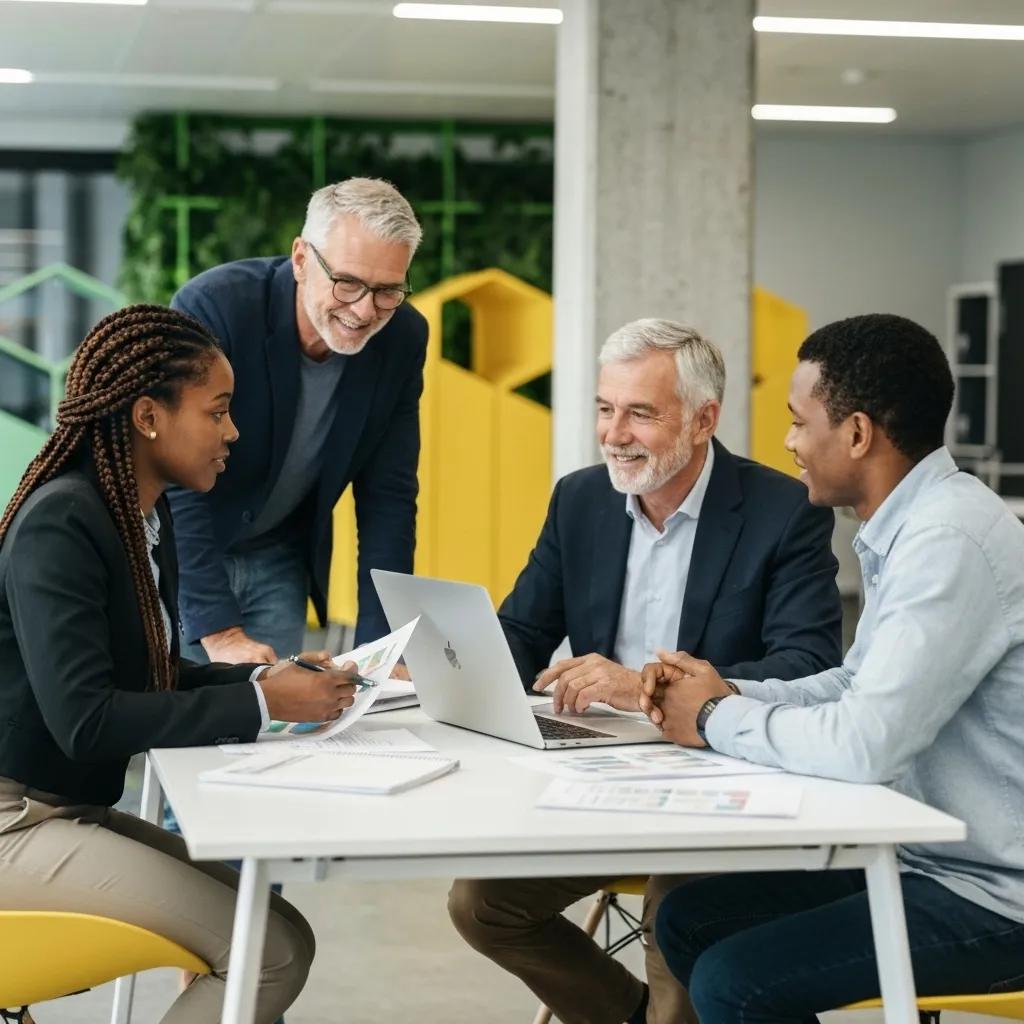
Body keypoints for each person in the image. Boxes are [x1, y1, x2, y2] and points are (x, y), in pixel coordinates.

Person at [448, 319, 843, 1024]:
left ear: (703, 420)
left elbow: (808, 665)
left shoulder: (783, 513)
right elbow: (522, 631)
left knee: (676, 920)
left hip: (722, 775)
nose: (613, 433)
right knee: (481, 904)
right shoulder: (580, 499)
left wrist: (644, 687)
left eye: (640, 413)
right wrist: (444, 669)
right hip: (601, 774)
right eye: (604, 408)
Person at [642, 313, 1024, 1024]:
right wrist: (724, 691)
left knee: (735, 982)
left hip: (996, 896)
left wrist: (717, 717)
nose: (788, 443)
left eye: (798, 421)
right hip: (927, 860)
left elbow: (864, 742)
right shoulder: (914, 524)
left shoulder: (949, 540)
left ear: (855, 434)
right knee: (691, 918)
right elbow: (858, 683)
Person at [0, 305, 362, 1024]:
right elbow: (88, 719)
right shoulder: (62, 522)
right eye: (218, 411)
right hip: (14, 827)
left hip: (64, 812)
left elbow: (153, 677)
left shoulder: (135, 520)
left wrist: (269, 679)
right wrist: (266, 706)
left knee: (280, 932)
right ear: (147, 417)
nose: (232, 433)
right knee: (269, 955)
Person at [169, 176, 427, 666]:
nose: (365, 310)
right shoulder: (216, 308)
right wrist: (219, 632)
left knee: (267, 731)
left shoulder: (403, 338)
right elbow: (175, 476)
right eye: (347, 282)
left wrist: (382, 649)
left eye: (388, 290)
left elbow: (389, 497)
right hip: (185, 555)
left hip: (278, 557)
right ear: (301, 259)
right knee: (173, 722)